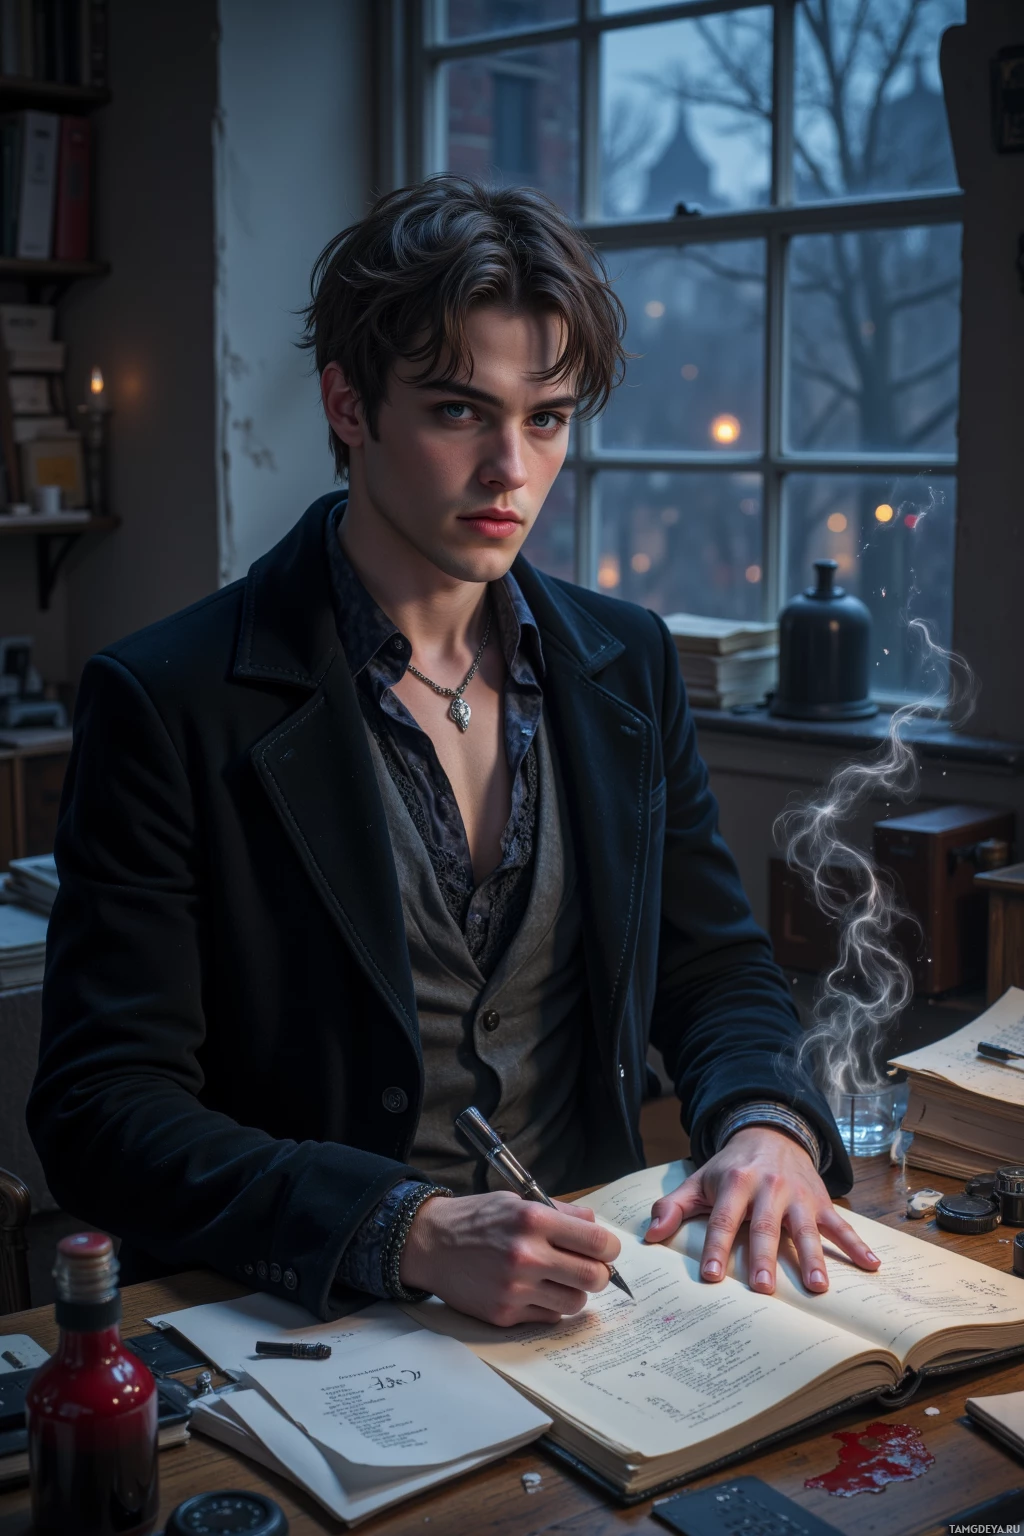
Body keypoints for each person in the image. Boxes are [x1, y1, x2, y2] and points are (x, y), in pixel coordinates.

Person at [29, 177, 879, 1328]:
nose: (510, 470)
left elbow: (712, 970)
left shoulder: (625, 662)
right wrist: (406, 1230)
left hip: (604, 1304)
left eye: (547, 418)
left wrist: (766, 1122)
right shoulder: (168, 697)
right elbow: (102, 1109)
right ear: (348, 405)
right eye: (457, 411)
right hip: (305, 1322)